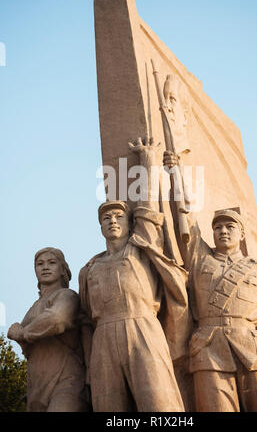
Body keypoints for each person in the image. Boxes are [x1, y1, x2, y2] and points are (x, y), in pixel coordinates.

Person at [163, 150, 257, 412]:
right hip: (208, 351)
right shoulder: (200, 259)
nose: (223, 231)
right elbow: (185, 217)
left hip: (253, 350)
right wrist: (175, 174)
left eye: (229, 227)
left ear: (241, 233)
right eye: (217, 228)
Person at [78, 138, 188, 412]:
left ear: (129, 223)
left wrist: (148, 161)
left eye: (117, 216)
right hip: (103, 335)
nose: (112, 221)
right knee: (108, 407)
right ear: (100, 226)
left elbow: (147, 207)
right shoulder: (89, 268)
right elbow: (84, 316)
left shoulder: (140, 247)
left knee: (159, 403)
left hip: (142, 326)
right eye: (106, 218)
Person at [7, 247, 87, 412]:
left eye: (52, 263)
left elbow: (57, 318)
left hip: (65, 380)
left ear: (62, 269)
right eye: (39, 264)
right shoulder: (33, 308)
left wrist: (22, 333)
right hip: (37, 384)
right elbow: (28, 348)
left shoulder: (66, 296)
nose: (45, 267)